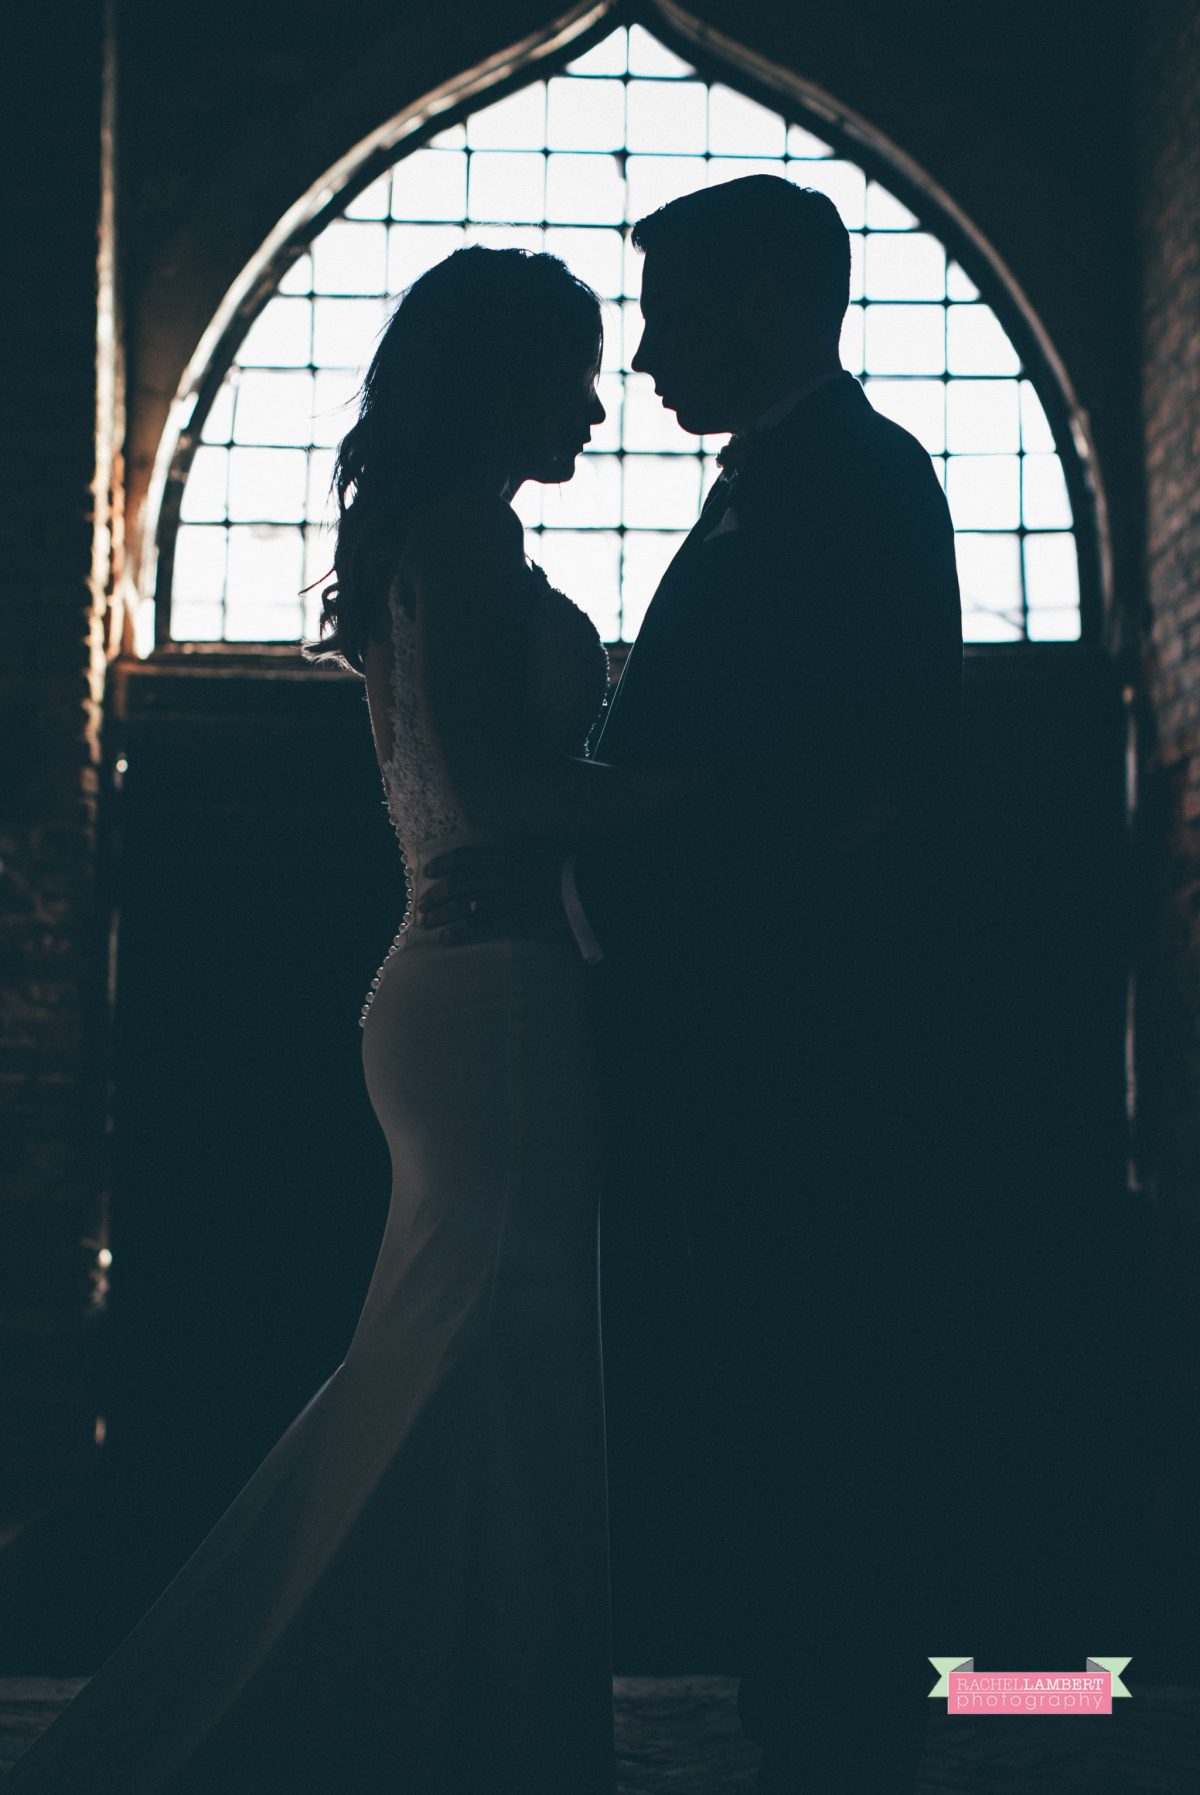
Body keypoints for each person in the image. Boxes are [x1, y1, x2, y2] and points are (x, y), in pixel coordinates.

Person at [1, 245, 713, 1795]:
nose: (598, 405)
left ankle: (450, 1705)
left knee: (465, 1357)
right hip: (497, 1001)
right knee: (488, 1357)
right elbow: (507, 794)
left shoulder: (447, 537)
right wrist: (713, 793)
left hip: (463, 990)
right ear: (499, 379)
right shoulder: (460, 543)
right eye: (572, 371)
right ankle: (425, 1710)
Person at [417, 176, 967, 1794]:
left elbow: (833, 770)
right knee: (768, 1367)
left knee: (816, 1366)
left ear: (767, 304)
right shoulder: (775, 485)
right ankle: (814, 1692)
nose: (644, 362)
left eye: (665, 316)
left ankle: (866, 1705)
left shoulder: (857, 481)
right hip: (720, 1019)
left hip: (793, 1029)